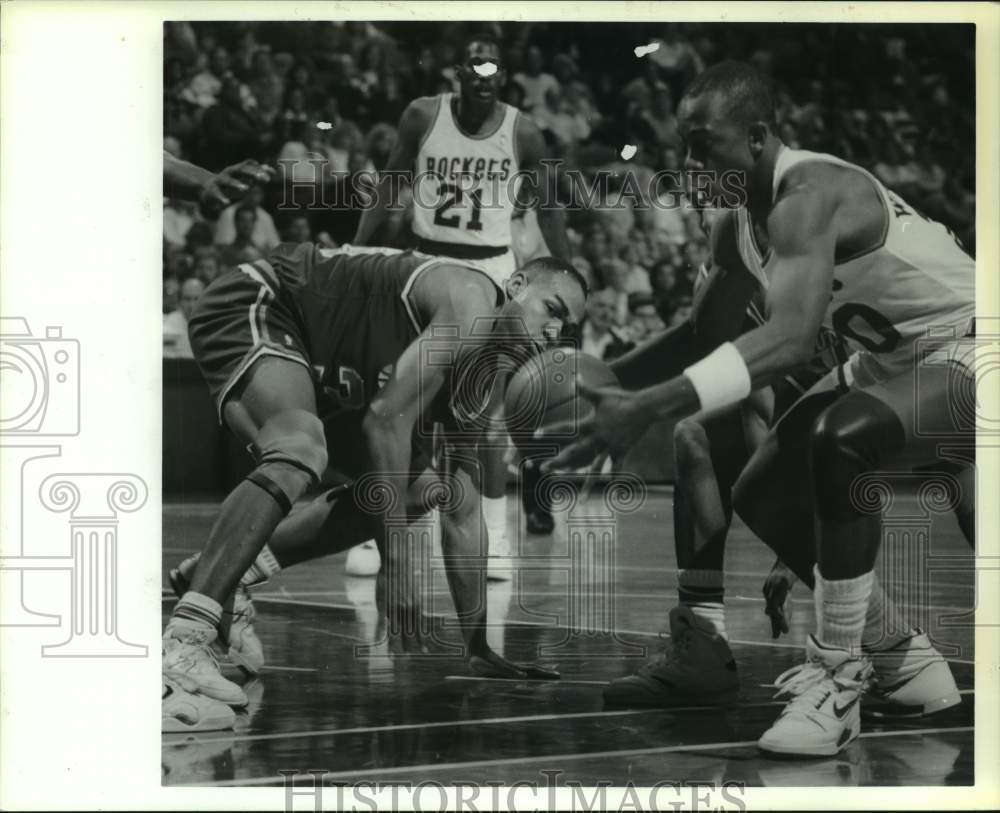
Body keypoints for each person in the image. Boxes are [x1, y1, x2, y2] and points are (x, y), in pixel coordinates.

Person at [541, 61, 974, 758]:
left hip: (974, 344)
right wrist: (599, 382)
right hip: (894, 357)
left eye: (702, 144)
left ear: (757, 138)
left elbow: (791, 339)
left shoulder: (811, 192)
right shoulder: (734, 230)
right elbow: (700, 336)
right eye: (683, 144)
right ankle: (905, 661)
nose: (687, 162)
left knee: (839, 438)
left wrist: (644, 406)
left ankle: (838, 681)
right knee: (765, 489)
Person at [162, 244, 587, 731]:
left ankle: (223, 578)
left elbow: (463, 507)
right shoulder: (472, 301)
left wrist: (477, 645)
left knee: (422, 486)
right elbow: (384, 421)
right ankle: (183, 647)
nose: (555, 331)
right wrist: (398, 564)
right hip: (264, 299)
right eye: (552, 310)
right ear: (515, 286)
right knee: (300, 448)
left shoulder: (488, 372)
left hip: (320, 356)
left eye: (567, 328)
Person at [353, 34, 572, 580]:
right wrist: (358, 250)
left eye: (493, 63)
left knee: (480, 414)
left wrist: (566, 279)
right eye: (474, 61)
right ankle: (386, 533)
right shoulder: (422, 116)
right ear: (457, 69)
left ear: (504, 72)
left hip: (492, 271)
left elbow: (549, 210)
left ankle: (494, 536)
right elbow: (390, 186)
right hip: (425, 267)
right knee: (404, 406)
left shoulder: (522, 130)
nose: (483, 72)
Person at [163, 277, 205, 358]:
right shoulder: (170, 323)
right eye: (187, 299)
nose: (191, 305)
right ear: (180, 301)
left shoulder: (213, 324)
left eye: (197, 299)